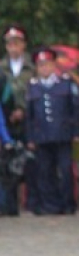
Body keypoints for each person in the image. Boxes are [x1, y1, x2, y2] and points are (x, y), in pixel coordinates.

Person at [26, 46, 79, 215]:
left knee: (65, 170)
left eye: (48, 64)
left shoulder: (65, 83)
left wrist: (76, 131)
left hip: (62, 134)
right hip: (42, 136)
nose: (44, 68)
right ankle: (49, 204)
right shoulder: (33, 86)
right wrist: (30, 137)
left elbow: (75, 109)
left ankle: (67, 203)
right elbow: (30, 115)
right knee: (45, 171)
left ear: (54, 65)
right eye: (41, 65)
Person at [0, 25, 36, 215]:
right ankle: (10, 204)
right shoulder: (1, 67)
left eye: (17, 43)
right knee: (8, 163)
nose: (13, 47)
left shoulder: (33, 67)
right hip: (6, 120)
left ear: (23, 45)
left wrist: (22, 109)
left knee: (31, 160)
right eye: (10, 44)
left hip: (30, 118)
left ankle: (32, 200)